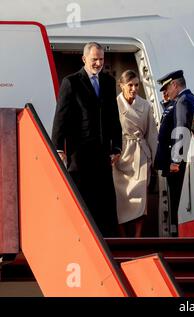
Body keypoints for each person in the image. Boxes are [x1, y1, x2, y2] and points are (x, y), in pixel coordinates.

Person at [51, 42, 122, 237]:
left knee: (105, 201)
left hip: (102, 153)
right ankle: (81, 237)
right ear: (84, 59)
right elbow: (61, 117)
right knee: (83, 199)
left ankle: (107, 241)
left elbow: (113, 117)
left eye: (101, 59)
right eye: (94, 59)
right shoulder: (71, 82)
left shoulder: (108, 82)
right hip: (79, 154)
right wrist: (57, 147)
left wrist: (117, 146)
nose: (98, 63)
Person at [113, 70, 157, 237]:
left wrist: (153, 157)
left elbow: (152, 133)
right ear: (121, 85)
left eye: (136, 85)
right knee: (120, 197)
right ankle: (123, 236)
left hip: (140, 152)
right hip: (120, 154)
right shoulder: (113, 104)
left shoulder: (146, 105)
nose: (133, 89)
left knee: (140, 196)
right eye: (130, 85)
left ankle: (138, 237)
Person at [156, 70, 194, 236]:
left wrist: (175, 161)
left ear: (175, 84)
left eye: (167, 87)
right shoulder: (189, 98)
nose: (167, 92)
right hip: (186, 160)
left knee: (176, 199)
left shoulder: (182, 101)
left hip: (178, 163)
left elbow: (181, 132)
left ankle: (176, 234)